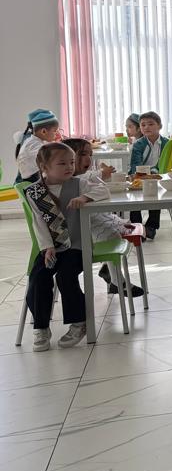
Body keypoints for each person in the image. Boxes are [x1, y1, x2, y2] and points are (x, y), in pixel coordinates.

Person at [21, 143, 92, 351]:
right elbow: (39, 223)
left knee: (65, 276)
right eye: (62, 163)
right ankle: (41, 327)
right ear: (44, 167)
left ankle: (79, 322)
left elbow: (102, 190)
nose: (69, 167)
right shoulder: (35, 192)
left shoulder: (79, 183)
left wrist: (84, 198)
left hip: (77, 245)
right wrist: (47, 247)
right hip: (52, 247)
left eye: (71, 162)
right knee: (38, 277)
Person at [62, 138, 146, 299]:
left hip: (93, 219)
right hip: (80, 230)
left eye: (90, 154)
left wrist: (86, 196)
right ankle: (117, 281)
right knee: (111, 235)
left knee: (124, 226)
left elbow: (102, 189)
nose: (88, 159)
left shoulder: (82, 178)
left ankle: (108, 268)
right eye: (82, 154)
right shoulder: (66, 181)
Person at [128, 111, 166, 240]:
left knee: (155, 196)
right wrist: (145, 175)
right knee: (134, 199)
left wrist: (155, 174)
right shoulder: (138, 144)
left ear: (159, 126)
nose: (146, 127)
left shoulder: (166, 143)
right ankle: (136, 227)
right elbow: (135, 165)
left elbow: (167, 163)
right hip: (139, 176)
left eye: (150, 124)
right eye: (143, 125)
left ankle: (151, 227)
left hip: (158, 177)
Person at [14, 108, 60, 183]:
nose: (57, 134)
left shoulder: (33, 140)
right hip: (31, 181)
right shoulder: (33, 144)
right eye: (55, 131)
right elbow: (46, 157)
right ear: (44, 131)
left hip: (33, 177)